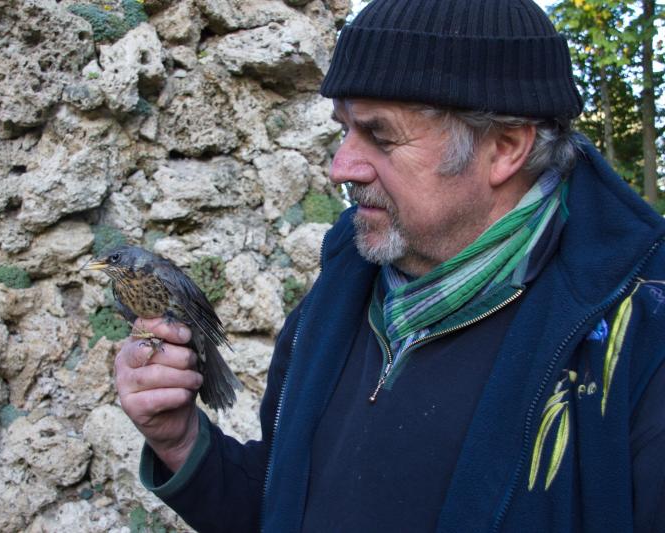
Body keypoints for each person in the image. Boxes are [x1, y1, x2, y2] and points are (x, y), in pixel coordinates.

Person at [114, 0, 665, 531]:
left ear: (504, 147)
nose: (341, 167)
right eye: (344, 130)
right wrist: (182, 443)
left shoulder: (642, 334)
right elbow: (286, 508)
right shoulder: (341, 287)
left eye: (379, 135)